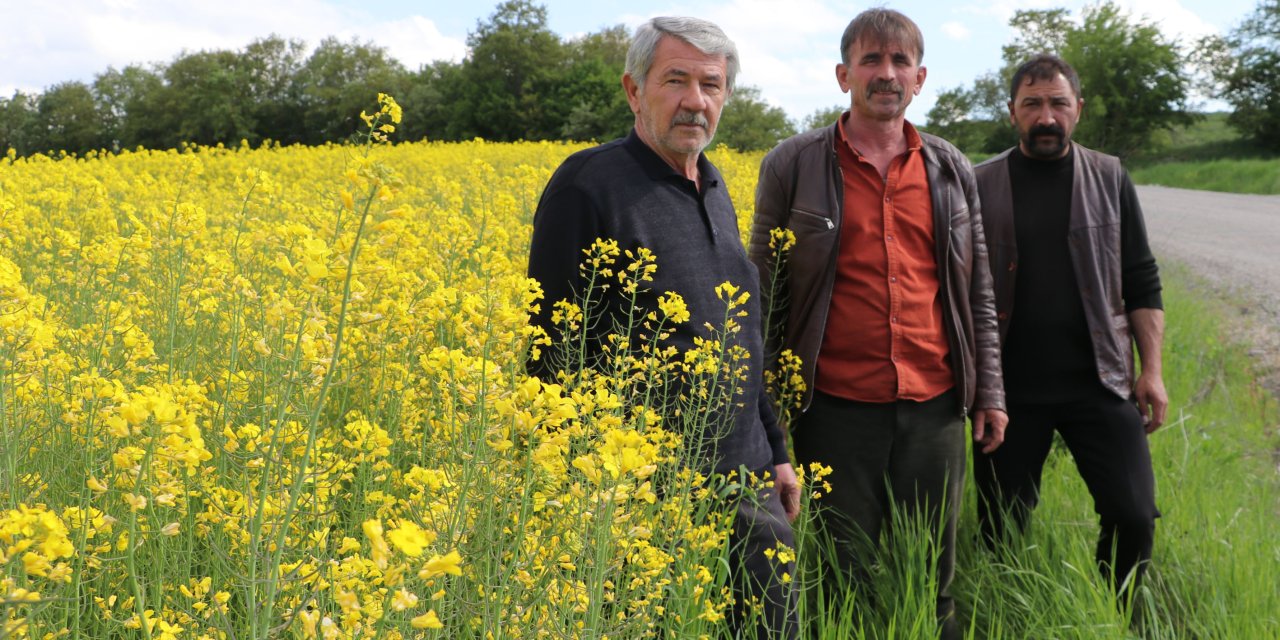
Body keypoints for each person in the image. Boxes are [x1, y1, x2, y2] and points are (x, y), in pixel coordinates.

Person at [526, 16, 798, 638]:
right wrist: (573, 493)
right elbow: (551, 353)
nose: (695, 101)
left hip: (745, 486)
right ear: (633, 90)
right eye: (676, 80)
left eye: (711, 84)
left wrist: (776, 452)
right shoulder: (587, 186)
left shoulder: (717, 186)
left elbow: (741, 336)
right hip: (640, 497)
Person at [748, 8, 1007, 638]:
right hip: (834, 408)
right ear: (844, 75)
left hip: (936, 405)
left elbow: (977, 291)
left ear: (920, 78)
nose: (885, 74)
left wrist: (990, 391)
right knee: (843, 574)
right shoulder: (794, 163)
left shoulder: (950, 169)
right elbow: (761, 294)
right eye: (871, 60)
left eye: (899, 62)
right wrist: (765, 415)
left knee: (932, 576)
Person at [972, 53, 1166, 598]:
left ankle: (1116, 610)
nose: (1046, 116)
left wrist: (1151, 371)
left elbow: (1141, 277)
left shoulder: (1109, 175)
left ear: (1077, 109)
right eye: (1032, 104)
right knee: (1000, 531)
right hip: (1009, 392)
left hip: (1101, 382)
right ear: (1013, 112)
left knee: (1133, 514)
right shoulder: (980, 183)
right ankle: (1011, 614)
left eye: (1058, 103)